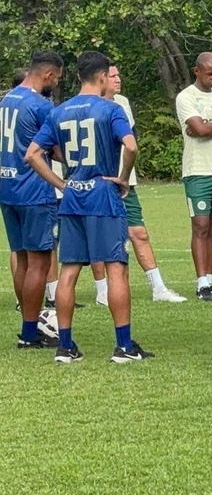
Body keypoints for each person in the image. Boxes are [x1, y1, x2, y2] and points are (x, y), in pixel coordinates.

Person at [26, 51, 150, 363]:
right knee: (116, 268)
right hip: (102, 196)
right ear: (100, 77)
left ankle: (65, 347)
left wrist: (61, 184)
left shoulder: (59, 111)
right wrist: (122, 178)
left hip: (73, 198)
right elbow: (131, 146)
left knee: (68, 271)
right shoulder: (111, 109)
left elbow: (32, 154)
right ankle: (124, 346)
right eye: (110, 75)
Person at [95, 64, 187, 304]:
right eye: (113, 75)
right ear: (101, 78)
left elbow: (131, 139)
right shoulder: (89, 103)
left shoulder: (122, 103)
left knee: (139, 232)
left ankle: (158, 288)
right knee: (98, 235)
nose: (118, 79)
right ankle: (102, 291)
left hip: (126, 181)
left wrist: (126, 173)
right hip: (99, 181)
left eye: (119, 74)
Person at [1, 50, 63, 348]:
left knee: (22, 259)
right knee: (39, 261)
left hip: (7, 187)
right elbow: (57, 150)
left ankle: (29, 322)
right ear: (48, 75)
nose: (56, 84)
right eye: (57, 78)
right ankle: (29, 331)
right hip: (34, 189)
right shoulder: (41, 105)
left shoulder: (7, 98)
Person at [176, 52, 212, 301]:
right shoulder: (186, 97)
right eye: (209, 73)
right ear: (197, 71)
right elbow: (197, 129)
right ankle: (201, 283)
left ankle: (210, 279)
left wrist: (207, 128)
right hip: (198, 170)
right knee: (200, 224)